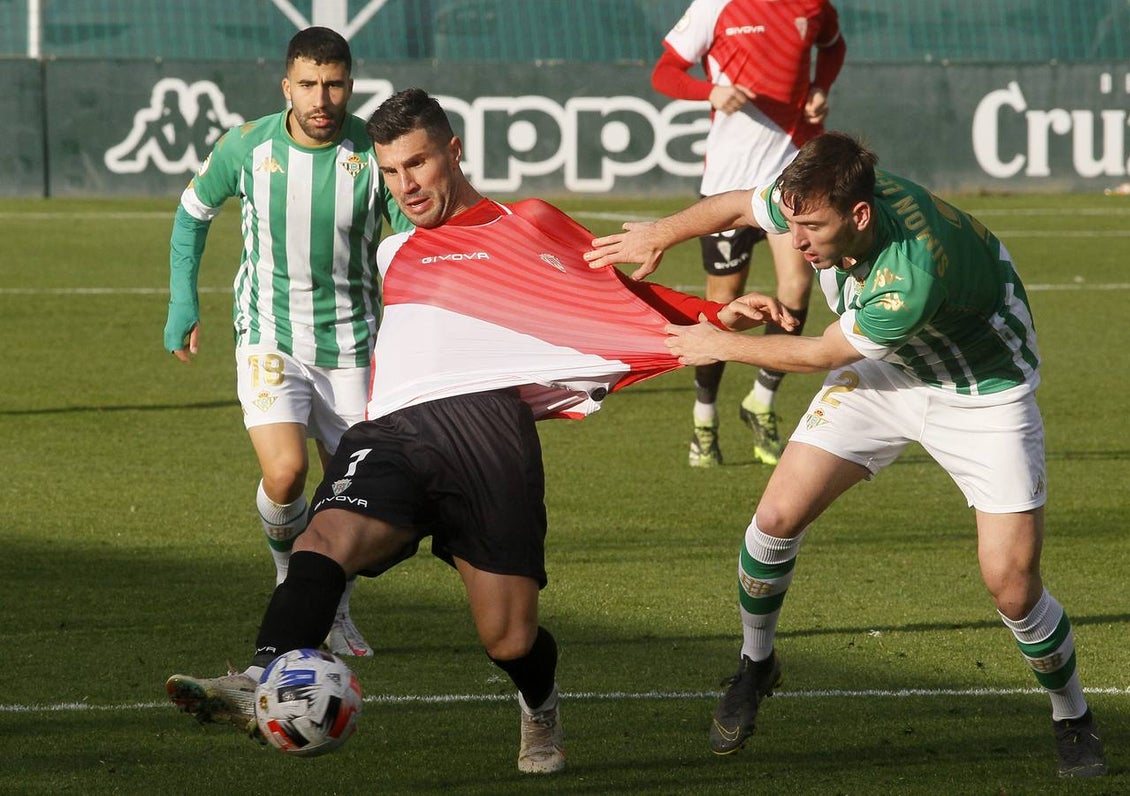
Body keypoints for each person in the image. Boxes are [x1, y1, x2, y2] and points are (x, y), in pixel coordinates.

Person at [164, 88, 793, 775]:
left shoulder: (525, 222)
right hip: (395, 430)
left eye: (418, 165)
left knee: (509, 640)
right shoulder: (393, 250)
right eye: (392, 172)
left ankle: (540, 706)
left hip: (490, 436)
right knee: (323, 536)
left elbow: (606, 292)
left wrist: (710, 316)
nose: (406, 186)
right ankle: (260, 677)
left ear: (453, 152)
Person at [585, 131, 1107, 778]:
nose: (797, 244)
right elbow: (736, 208)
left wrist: (716, 344)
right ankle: (756, 664)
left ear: (859, 216)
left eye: (812, 229)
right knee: (775, 517)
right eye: (794, 223)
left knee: (1012, 585)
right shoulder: (823, 192)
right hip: (886, 375)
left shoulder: (908, 276)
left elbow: (819, 354)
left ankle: (1072, 715)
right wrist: (663, 231)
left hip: (981, 393)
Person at [163, 27, 414, 658]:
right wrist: (183, 300)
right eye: (308, 84)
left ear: (350, 85)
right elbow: (193, 210)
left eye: (333, 84)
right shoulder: (246, 145)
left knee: (350, 497)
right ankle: (289, 580)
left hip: (357, 344)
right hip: (270, 334)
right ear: (287, 87)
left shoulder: (373, 153)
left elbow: (413, 241)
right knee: (285, 471)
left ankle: (332, 608)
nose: (321, 98)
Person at [652, 0, 846, 467]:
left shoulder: (813, 5)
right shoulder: (714, 6)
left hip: (789, 178)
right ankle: (705, 417)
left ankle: (761, 399)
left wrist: (820, 87)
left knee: (798, 286)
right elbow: (664, 73)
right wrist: (711, 92)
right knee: (723, 305)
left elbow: (834, 46)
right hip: (727, 186)